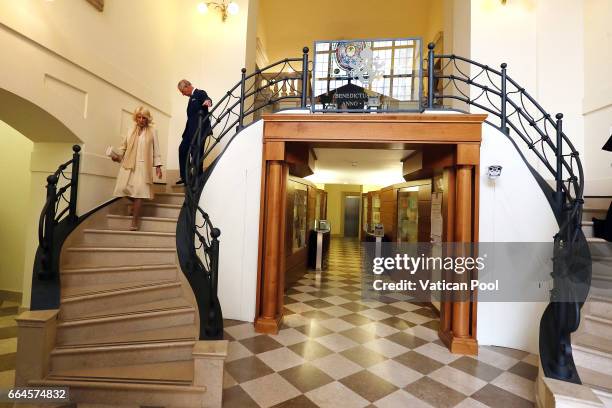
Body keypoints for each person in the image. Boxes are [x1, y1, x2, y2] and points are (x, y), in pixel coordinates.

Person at [112, 106, 163, 230]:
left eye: (144, 118)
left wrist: (158, 166)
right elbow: (123, 146)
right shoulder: (130, 129)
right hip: (129, 163)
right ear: (136, 118)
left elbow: (156, 149)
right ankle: (135, 206)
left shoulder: (153, 131)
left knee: (140, 192)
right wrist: (117, 156)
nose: (141, 120)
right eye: (139, 117)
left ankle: (134, 221)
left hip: (143, 165)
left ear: (147, 119)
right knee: (123, 188)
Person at [177, 79, 213, 185]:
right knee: (182, 149)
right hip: (189, 131)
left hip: (199, 130)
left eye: (183, 92)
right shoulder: (191, 98)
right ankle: (185, 177)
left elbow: (206, 98)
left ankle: (198, 178)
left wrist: (208, 101)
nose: (183, 95)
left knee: (196, 153)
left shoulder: (199, 93)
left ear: (187, 87)